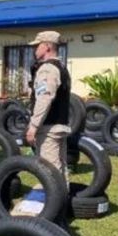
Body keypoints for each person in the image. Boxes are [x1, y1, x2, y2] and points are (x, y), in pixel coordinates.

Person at [25, 30, 71, 187]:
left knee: (49, 171)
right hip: (60, 125)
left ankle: (53, 208)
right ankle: (62, 204)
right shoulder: (62, 67)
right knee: (61, 168)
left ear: (46, 47)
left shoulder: (47, 69)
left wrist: (33, 127)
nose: (35, 50)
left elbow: (44, 98)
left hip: (49, 127)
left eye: (37, 46)